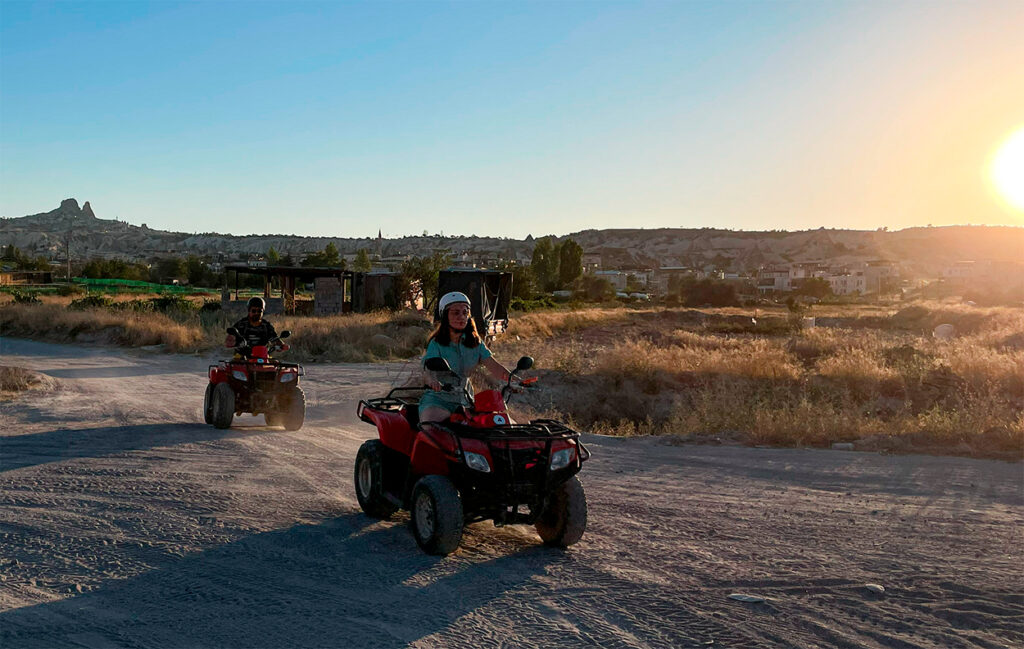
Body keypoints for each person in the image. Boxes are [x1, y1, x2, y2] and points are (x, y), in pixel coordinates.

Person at [419, 291, 511, 424]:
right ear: (445, 316)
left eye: (465, 312)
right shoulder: (436, 343)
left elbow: (493, 366)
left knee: (497, 425)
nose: (461, 317)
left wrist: (514, 380)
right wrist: (432, 381)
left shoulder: (475, 342)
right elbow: (427, 369)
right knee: (430, 426)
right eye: (455, 313)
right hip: (439, 400)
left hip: (467, 401)